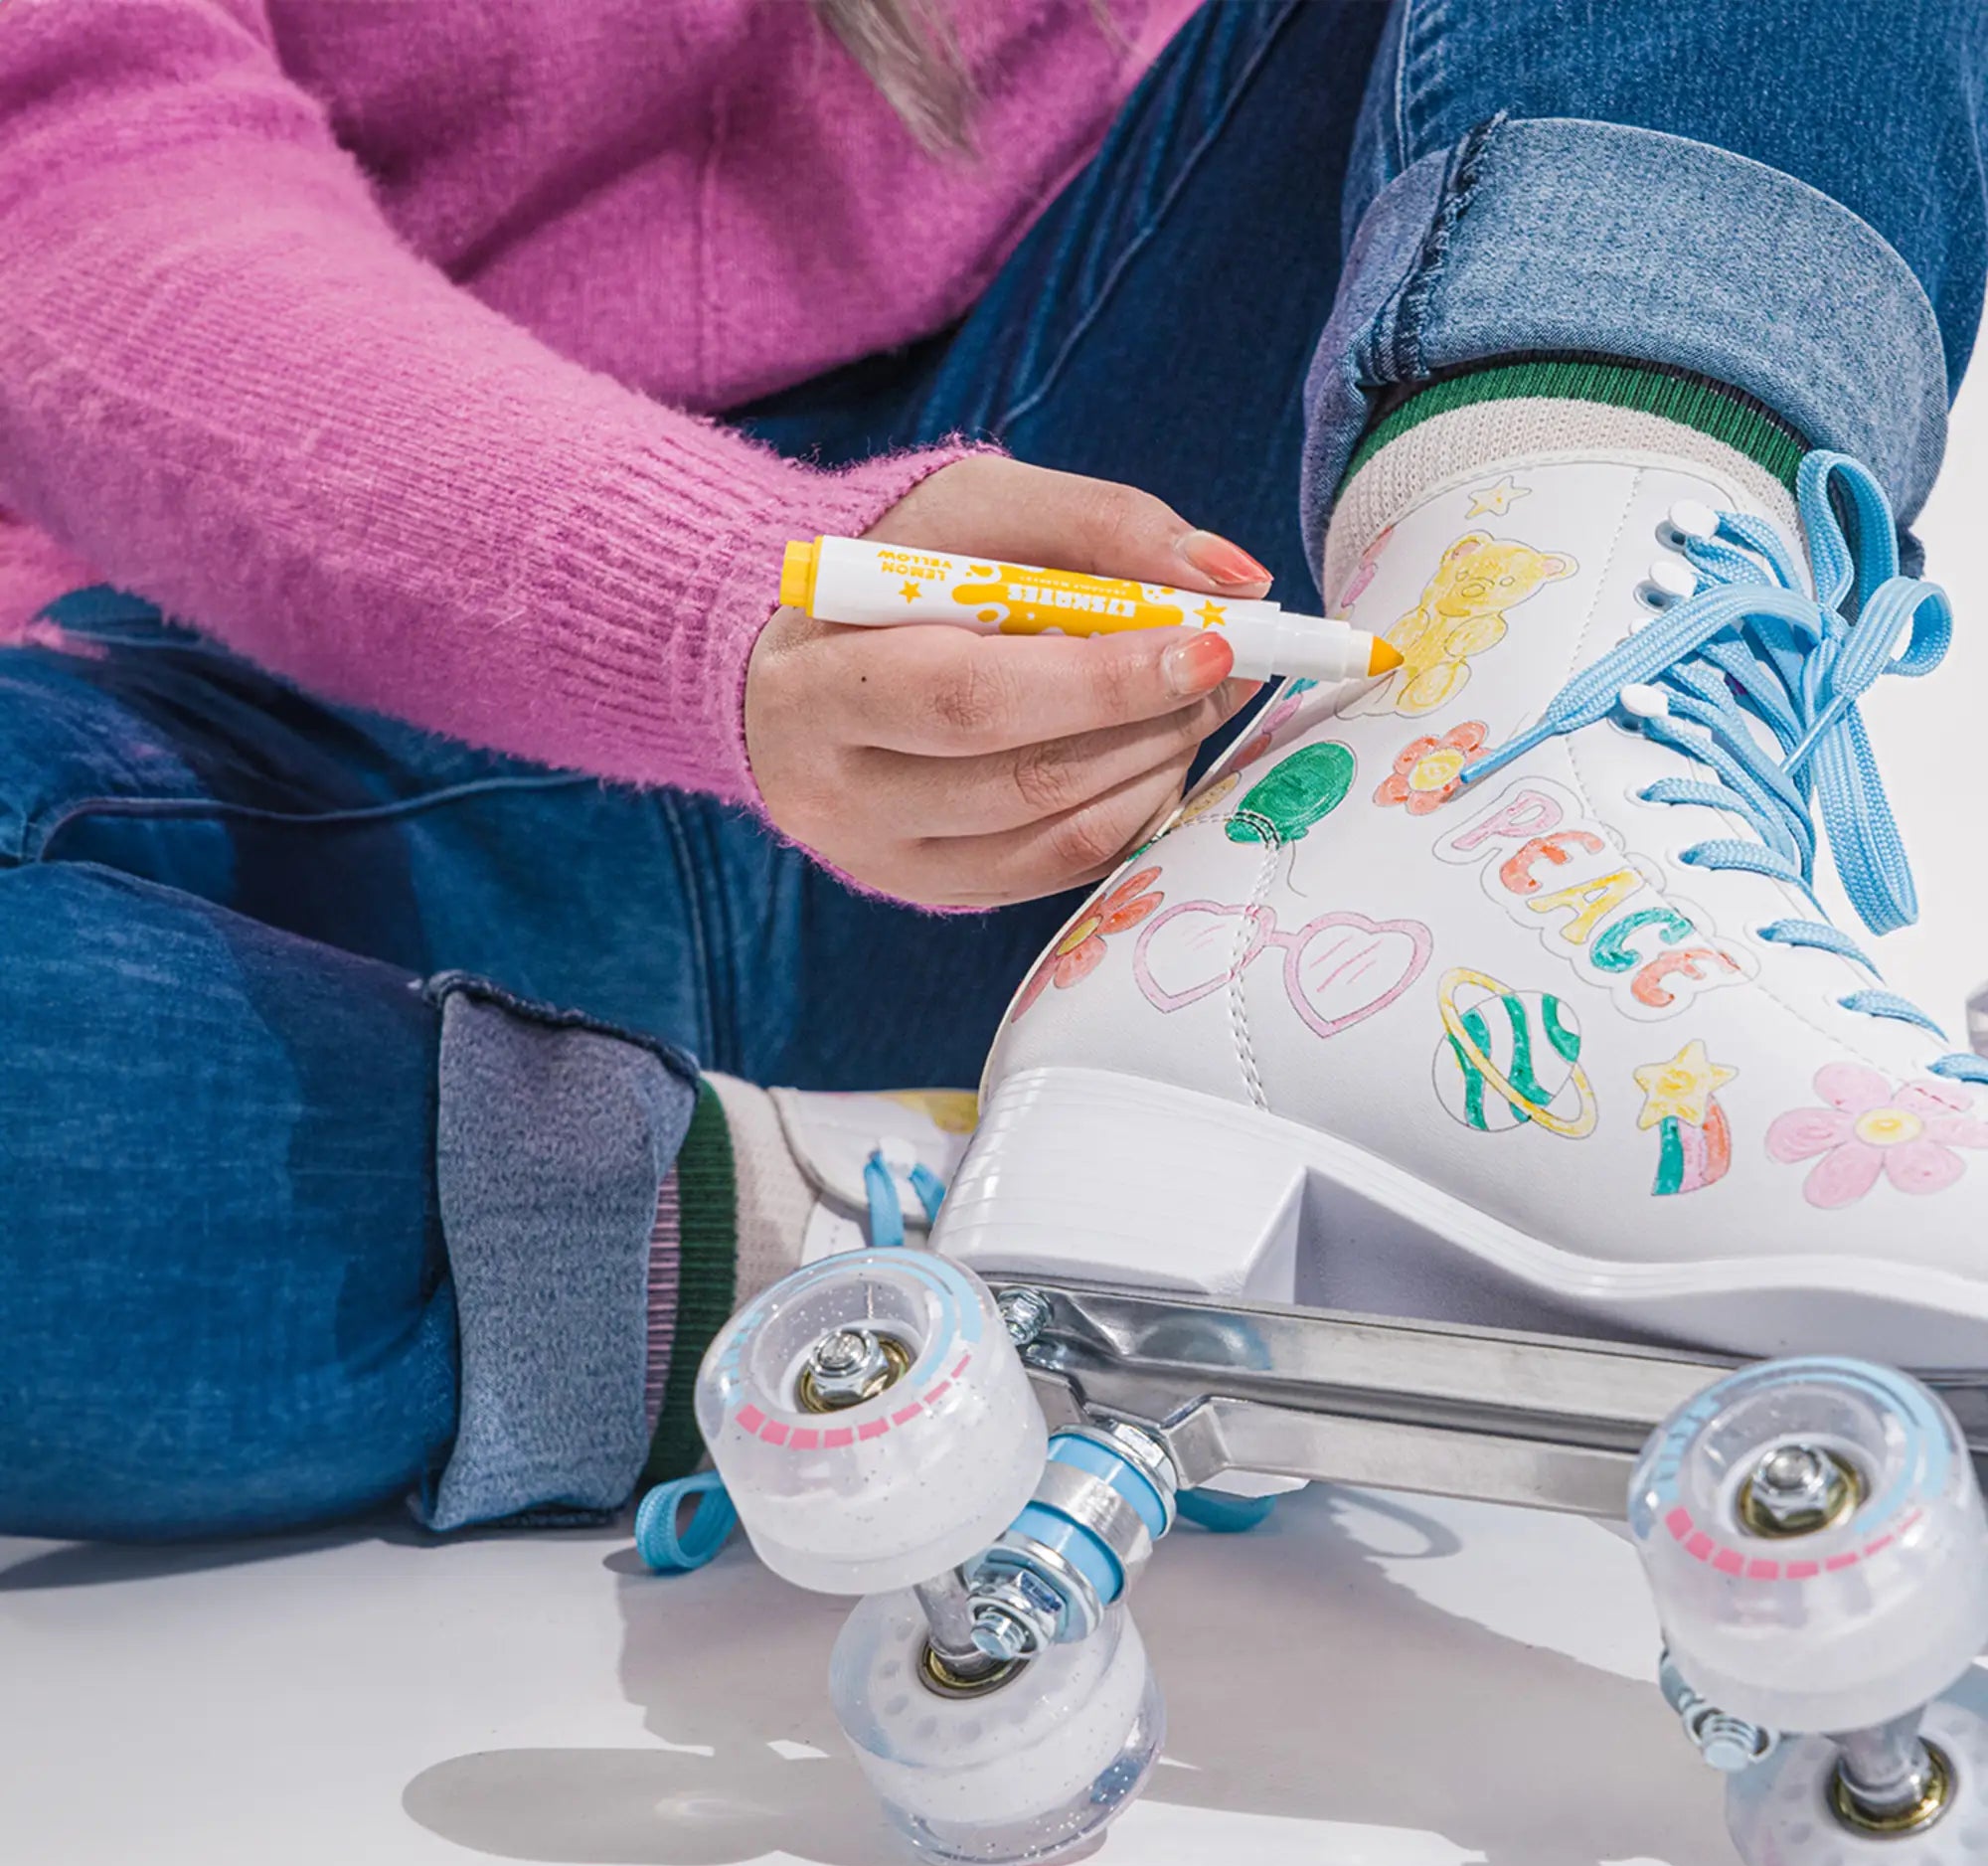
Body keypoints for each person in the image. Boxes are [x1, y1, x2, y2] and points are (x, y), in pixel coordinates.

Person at [0, 0, 1982, 1541]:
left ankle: (1497, 799)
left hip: (1135, 643)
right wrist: (718, 599)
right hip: (319, 722)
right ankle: (848, 1227)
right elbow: (74, 173)